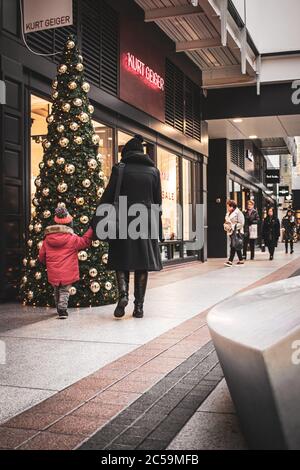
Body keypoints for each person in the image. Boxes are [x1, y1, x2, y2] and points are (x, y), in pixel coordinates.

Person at [93, 134, 163, 319]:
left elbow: (108, 196)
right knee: (142, 264)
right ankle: (138, 307)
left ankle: (123, 295)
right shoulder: (154, 171)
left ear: (126, 152)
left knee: (121, 259)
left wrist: (98, 217)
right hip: (146, 221)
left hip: (122, 218)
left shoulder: (120, 168)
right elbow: (158, 203)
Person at [38, 204, 93, 318]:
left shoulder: (47, 238)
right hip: (67, 270)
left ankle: (58, 306)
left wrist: (45, 262)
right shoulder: (72, 238)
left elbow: (42, 255)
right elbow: (84, 242)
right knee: (64, 290)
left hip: (53, 270)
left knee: (56, 289)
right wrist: (91, 230)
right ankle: (62, 309)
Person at [223, 200, 245, 267]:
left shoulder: (239, 213)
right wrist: (226, 226)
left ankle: (230, 261)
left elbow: (241, 223)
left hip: (237, 232)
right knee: (236, 245)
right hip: (231, 232)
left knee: (233, 245)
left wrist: (232, 226)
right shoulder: (228, 213)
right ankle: (241, 260)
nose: (227, 208)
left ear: (232, 206)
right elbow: (227, 221)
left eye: (228, 206)